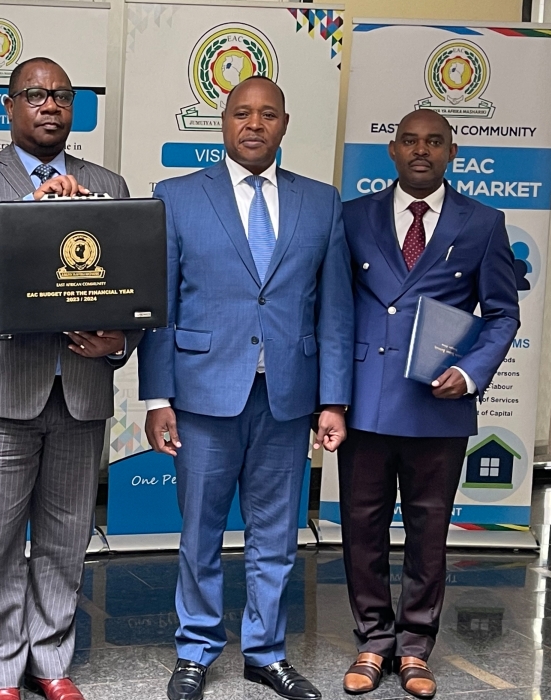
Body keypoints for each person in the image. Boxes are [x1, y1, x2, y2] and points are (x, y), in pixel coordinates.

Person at [0, 57, 141, 700]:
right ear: (10, 106)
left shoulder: (107, 181)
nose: (50, 105)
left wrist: (120, 340)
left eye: (61, 96)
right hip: (4, 389)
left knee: (65, 538)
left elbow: (133, 284)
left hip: (80, 389)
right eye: (35, 95)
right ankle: (0, 671)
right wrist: (26, 208)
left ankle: (50, 662)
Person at [138, 76, 353, 700]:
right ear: (223, 122)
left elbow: (333, 311)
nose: (253, 124)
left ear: (285, 124)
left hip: (288, 397)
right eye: (241, 113)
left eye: (267, 114)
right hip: (203, 393)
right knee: (200, 531)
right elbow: (162, 307)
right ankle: (196, 648)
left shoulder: (322, 202)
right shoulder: (177, 197)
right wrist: (158, 398)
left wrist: (332, 398)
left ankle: (265, 652)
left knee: (277, 534)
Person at [338, 109, 519, 699]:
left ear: (452, 152)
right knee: (361, 528)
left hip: (438, 407)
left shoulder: (483, 223)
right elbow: (336, 313)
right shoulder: (353, 216)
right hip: (365, 404)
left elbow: (501, 313)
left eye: (434, 142)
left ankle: (414, 647)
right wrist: (332, 400)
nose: (422, 151)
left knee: (428, 529)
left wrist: (470, 372)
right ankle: (372, 640)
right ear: (391, 152)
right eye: (410, 142)